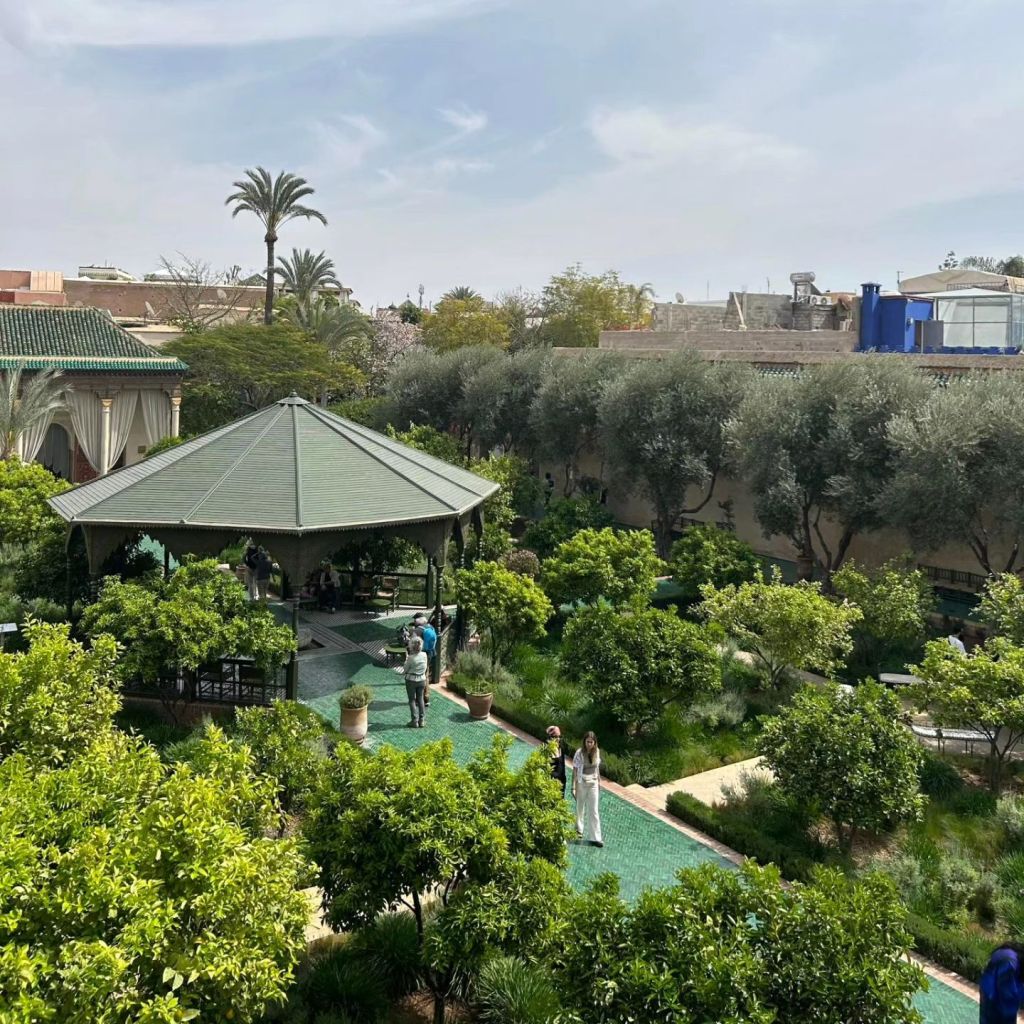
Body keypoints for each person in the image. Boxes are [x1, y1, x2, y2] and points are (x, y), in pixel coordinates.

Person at [572, 730, 603, 847]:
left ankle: (596, 837)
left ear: (594, 743)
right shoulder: (579, 753)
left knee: (594, 810)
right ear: (584, 742)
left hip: (593, 782)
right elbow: (575, 769)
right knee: (580, 807)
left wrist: (599, 781)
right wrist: (573, 787)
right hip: (582, 782)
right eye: (587, 742)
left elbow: (597, 768)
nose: (589, 744)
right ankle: (579, 830)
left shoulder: (597, 752)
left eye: (591, 742)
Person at [980, 943, 1024, 1024]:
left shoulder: (1012, 954)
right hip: (995, 1002)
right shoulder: (1010, 963)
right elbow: (1008, 995)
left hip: (988, 996)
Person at [403, 635, 429, 729]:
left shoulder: (411, 658)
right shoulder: (424, 655)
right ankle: (422, 720)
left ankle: (414, 721)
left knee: (412, 700)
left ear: (412, 646)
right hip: (422, 680)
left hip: (411, 680)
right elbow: (425, 667)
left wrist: (406, 660)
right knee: (420, 699)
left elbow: (405, 669)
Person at [547, 725, 566, 796]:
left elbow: (563, 767)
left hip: (560, 783)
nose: (558, 739)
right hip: (550, 783)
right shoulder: (547, 750)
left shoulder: (561, 748)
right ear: (550, 737)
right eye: (555, 737)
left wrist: (563, 783)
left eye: (559, 736)